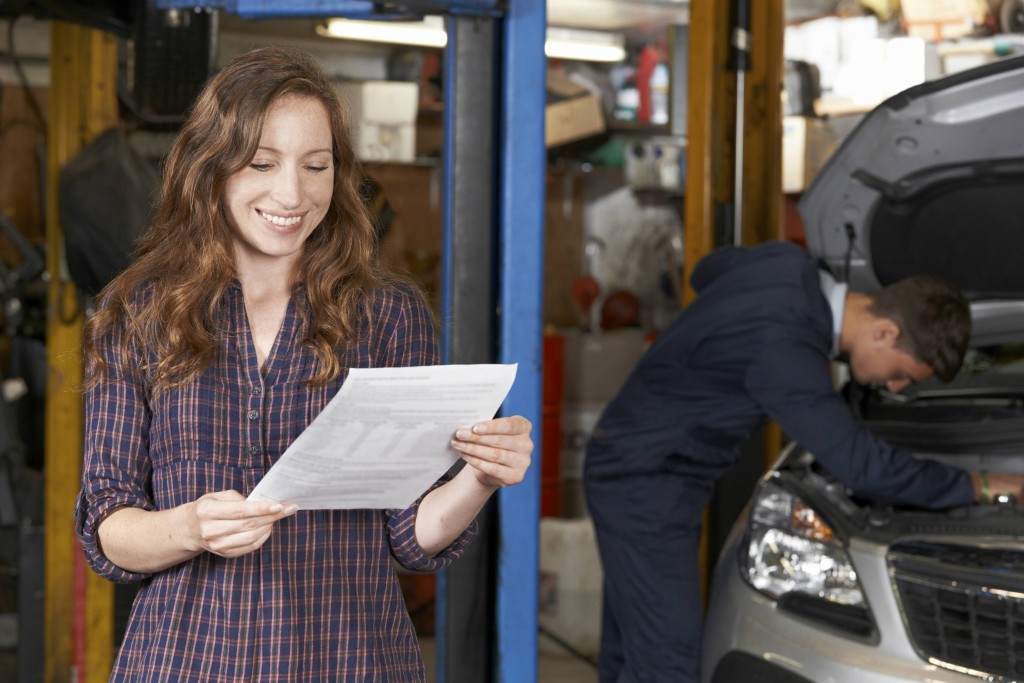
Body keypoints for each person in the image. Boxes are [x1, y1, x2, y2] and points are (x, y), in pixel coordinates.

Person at [74, 46, 533, 682]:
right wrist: (190, 527)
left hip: (351, 660)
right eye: (262, 163)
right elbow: (107, 524)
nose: (292, 193)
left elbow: (411, 533)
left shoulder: (388, 314)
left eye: (316, 166)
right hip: (187, 661)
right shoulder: (137, 313)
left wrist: (479, 477)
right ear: (211, 168)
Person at [582, 240, 1024, 683]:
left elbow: (707, 271)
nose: (894, 387)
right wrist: (982, 485)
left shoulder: (784, 262)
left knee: (631, 649)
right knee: (667, 662)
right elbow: (866, 469)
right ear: (885, 332)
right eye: (901, 375)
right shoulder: (787, 350)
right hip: (646, 479)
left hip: (636, 460)